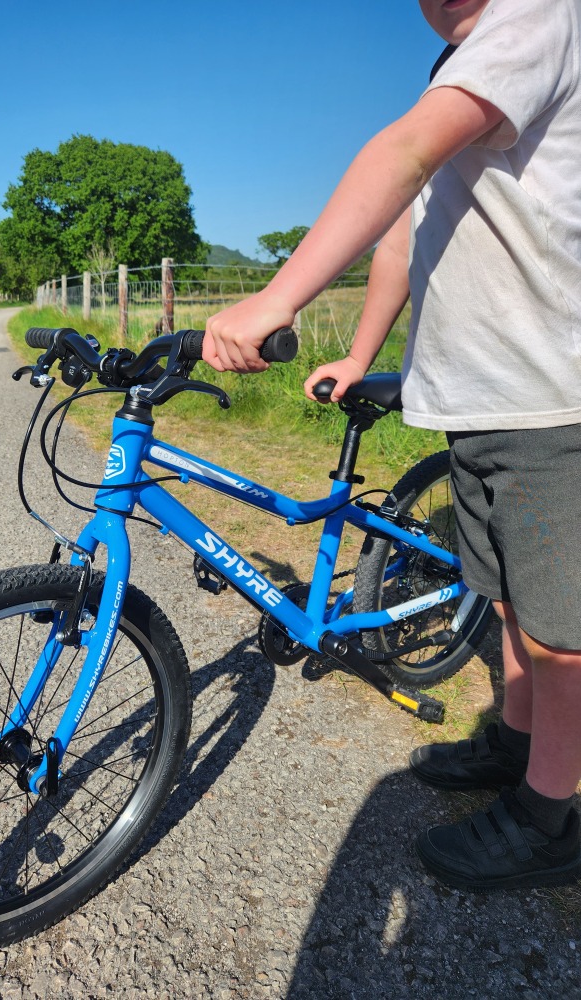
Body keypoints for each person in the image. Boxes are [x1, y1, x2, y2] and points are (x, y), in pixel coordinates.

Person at [202, 0, 581, 891]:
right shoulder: (460, 64)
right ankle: (518, 748)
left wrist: (277, 298)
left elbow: (400, 153)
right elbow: (404, 228)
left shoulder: (540, 13)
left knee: (562, 631)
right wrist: (363, 351)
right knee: (514, 605)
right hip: (484, 399)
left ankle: (551, 815)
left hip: (548, 398)